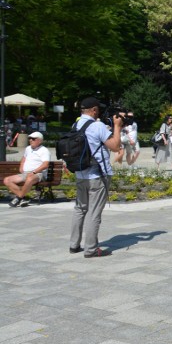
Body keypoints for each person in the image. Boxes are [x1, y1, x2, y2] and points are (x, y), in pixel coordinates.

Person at [69, 97, 123, 258]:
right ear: (93, 110)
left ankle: (74, 244)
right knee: (94, 212)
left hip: (80, 173)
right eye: (97, 109)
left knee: (80, 209)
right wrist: (117, 127)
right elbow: (115, 146)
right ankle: (91, 249)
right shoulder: (97, 126)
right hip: (97, 175)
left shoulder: (75, 125)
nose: (98, 112)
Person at [5, 131, 50, 207]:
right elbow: (24, 158)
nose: (30, 140)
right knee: (7, 180)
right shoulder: (28, 148)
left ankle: (19, 198)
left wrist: (34, 172)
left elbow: (45, 165)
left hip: (38, 174)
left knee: (30, 179)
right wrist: (21, 167)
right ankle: (23, 197)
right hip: (26, 173)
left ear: (39, 141)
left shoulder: (44, 150)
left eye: (33, 139)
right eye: (30, 138)